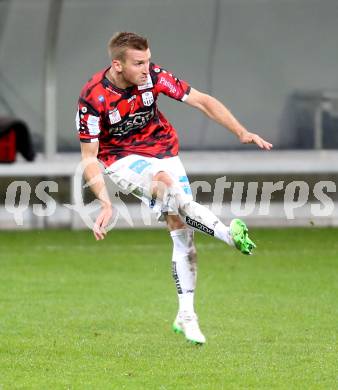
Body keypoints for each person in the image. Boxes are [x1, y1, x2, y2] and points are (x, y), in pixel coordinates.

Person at [76, 32, 273, 345]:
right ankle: (228, 235)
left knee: (181, 227)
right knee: (165, 187)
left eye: (148, 60)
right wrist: (105, 202)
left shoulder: (153, 77)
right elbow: (89, 158)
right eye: (138, 63)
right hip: (122, 160)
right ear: (117, 64)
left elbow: (202, 101)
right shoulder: (94, 97)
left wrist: (241, 131)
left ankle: (186, 314)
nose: (146, 68)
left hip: (164, 150)